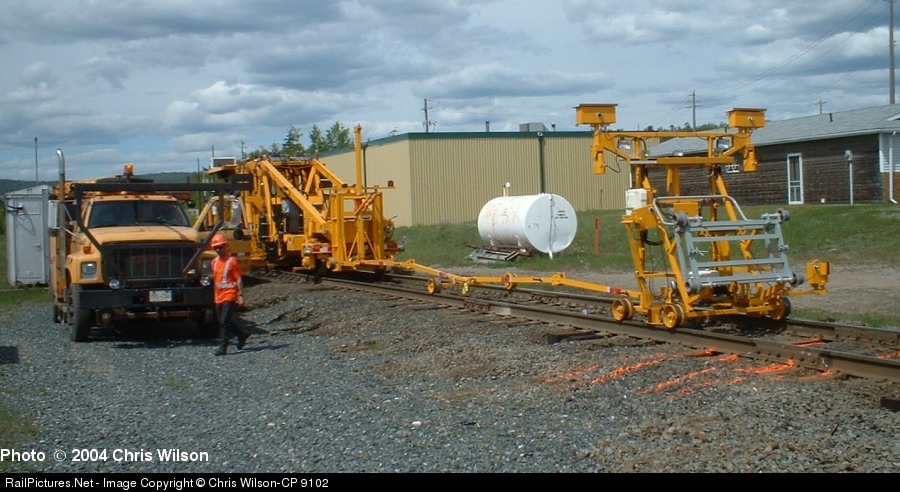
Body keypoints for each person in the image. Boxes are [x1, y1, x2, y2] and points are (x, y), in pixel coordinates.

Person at [209, 233, 251, 355]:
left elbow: (238, 279)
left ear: (225, 246)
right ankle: (242, 334)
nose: (218, 250)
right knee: (224, 321)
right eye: (216, 248)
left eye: (220, 247)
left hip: (230, 294)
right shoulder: (214, 262)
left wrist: (240, 295)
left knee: (224, 322)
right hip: (218, 296)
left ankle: (223, 347)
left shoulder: (232, 262)